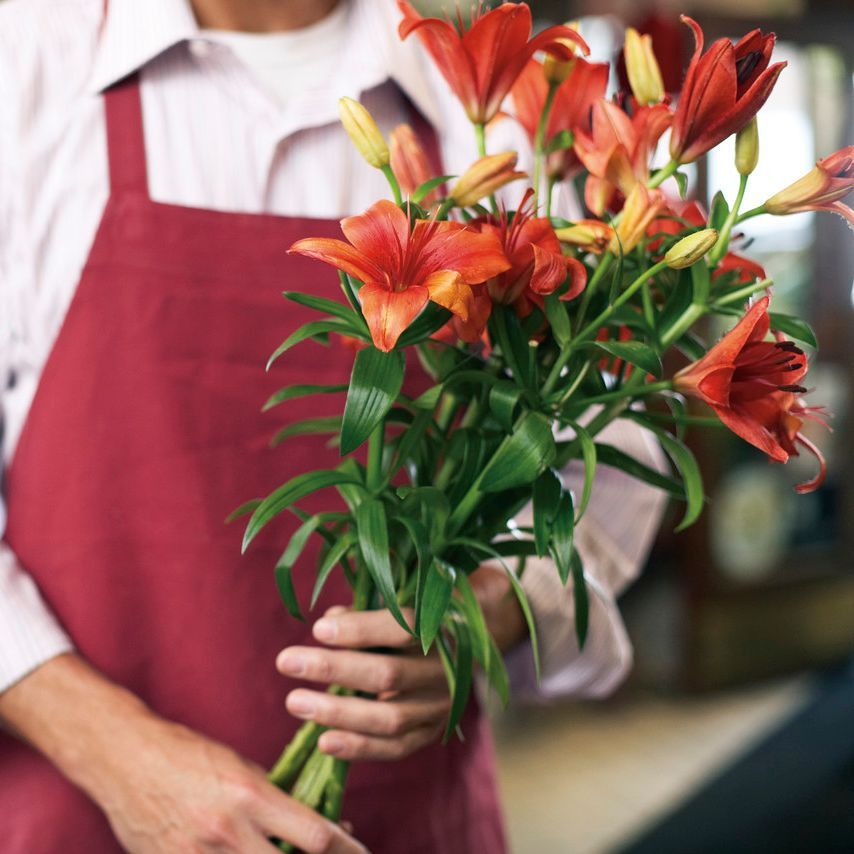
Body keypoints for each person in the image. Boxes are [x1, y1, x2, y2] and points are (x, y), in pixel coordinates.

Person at [0, 1, 665, 851]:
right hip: (80, 811)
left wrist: (483, 616)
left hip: (403, 815)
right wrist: (119, 757)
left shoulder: (506, 115)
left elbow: (607, 440)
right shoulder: (24, 66)